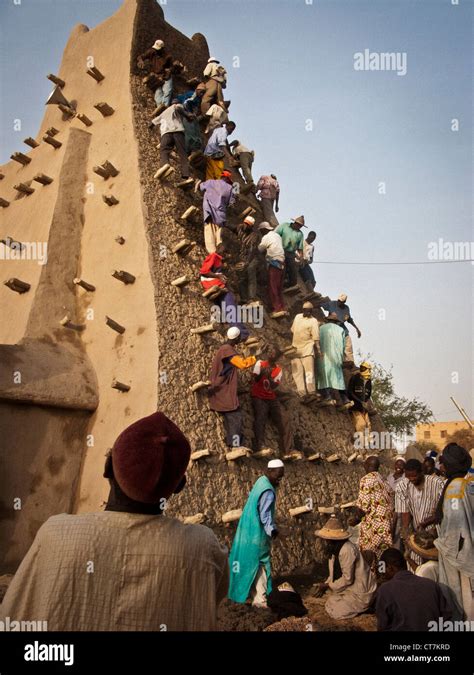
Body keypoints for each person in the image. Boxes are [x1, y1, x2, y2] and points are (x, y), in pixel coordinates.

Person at [0, 412, 229, 631]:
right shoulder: (204, 548)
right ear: (178, 487)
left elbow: (13, 616)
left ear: (107, 467)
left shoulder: (55, 534)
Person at [228, 460, 285, 607]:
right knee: (261, 564)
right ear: (270, 471)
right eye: (278, 476)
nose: (280, 479)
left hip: (246, 531)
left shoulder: (261, 481)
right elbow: (265, 515)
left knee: (245, 563)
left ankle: (238, 595)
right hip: (256, 535)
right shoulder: (268, 491)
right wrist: (272, 531)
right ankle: (260, 601)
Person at [434, 443, 474, 620]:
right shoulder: (468, 484)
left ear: (450, 465)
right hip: (467, 547)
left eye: (444, 463)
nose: (441, 467)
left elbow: (456, 526)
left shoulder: (454, 489)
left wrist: (441, 544)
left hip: (458, 553)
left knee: (459, 595)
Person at [313, 515, 377, 620]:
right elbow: (333, 575)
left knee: (335, 612)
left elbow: (348, 580)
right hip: (350, 589)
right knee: (331, 602)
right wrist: (326, 584)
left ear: (333, 541)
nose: (325, 543)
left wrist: (327, 585)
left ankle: (366, 607)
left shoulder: (347, 550)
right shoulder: (334, 552)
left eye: (327, 541)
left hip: (360, 592)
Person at [376, 548, 452, 631]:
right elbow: (446, 619)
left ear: (390, 568)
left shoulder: (385, 590)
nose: (383, 573)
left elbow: (383, 625)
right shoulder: (431, 585)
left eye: (383, 568)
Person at [208, 327, 256, 451]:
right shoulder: (227, 350)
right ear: (237, 338)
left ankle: (232, 443)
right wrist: (255, 358)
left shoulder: (224, 349)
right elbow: (243, 364)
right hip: (223, 390)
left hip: (221, 390)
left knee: (233, 417)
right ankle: (235, 445)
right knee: (236, 416)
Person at [396, 458, 445, 565]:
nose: (412, 479)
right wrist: (406, 532)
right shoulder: (402, 486)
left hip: (436, 531)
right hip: (417, 532)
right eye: (409, 477)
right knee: (416, 565)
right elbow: (405, 512)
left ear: (422, 472)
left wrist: (426, 523)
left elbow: (443, 509)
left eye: (415, 476)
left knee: (435, 565)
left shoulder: (437, 483)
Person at [199, 243, 249, 339]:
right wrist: (218, 276)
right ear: (220, 250)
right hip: (215, 285)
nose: (227, 255)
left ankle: (234, 332)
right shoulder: (214, 256)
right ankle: (242, 334)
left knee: (227, 308)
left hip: (217, 285)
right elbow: (204, 271)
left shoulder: (220, 260)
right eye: (226, 252)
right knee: (231, 307)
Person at [251, 347, 293, 457]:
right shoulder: (260, 363)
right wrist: (264, 373)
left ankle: (287, 451)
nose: (271, 354)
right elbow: (255, 378)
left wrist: (269, 377)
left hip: (271, 397)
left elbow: (274, 385)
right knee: (260, 418)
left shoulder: (278, 369)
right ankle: (258, 446)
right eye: (270, 351)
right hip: (258, 396)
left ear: (277, 357)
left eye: (274, 353)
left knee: (285, 420)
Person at [353, 456, 394, 562]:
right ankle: (383, 576)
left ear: (367, 465)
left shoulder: (366, 480)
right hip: (386, 525)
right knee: (383, 558)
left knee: (370, 557)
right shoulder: (384, 481)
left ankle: (372, 577)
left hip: (374, 527)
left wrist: (354, 520)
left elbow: (363, 507)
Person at [317, 313, 353, 408]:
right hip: (337, 357)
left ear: (327, 320)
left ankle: (328, 397)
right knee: (338, 378)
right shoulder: (341, 330)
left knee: (324, 376)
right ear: (336, 322)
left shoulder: (322, 328)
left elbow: (317, 340)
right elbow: (344, 345)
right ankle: (345, 399)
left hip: (324, 356)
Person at [150, 99, 191, 179]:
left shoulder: (164, 112)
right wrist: (187, 116)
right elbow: (178, 108)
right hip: (178, 132)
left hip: (166, 133)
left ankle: (165, 165)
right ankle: (186, 175)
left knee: (164, 149)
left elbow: (154, 121)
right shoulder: (177, 106)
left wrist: (150, 126)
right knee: (182, 154)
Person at [290, 302, 320, 402]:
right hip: (296, 349)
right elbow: (293, 330)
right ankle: (302, 393)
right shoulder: (297, 317)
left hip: (307, 349)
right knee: (297, 372)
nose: (305, 312)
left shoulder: (313, 321)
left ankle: (311, 392)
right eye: (304, 310)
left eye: (307, 311)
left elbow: (316, 337)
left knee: (309, 373)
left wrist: (319, 350)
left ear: (311, 311)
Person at [199, 170, 235, 253]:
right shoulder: (230, 189)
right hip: (220, 216)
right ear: (228, 179)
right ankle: (219, 244)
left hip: (209, 213)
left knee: (209, 233)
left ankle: (213, 255)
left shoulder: (210, 182)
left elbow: (201, 187)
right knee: (218, 234)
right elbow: (232, 202)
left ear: (221, 176)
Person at [321, 294, 361, 366]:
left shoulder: (346, 308)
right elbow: (320, 305)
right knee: (336, 350)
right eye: (339, 301)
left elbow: (349, 319)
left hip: (342, 330)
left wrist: (356, 328)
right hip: (332, 330)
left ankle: (351, 364)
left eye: (341, 302)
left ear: (344, 302)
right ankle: (338, 363)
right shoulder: (332, 304)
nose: (339, 303)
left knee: (348, 347)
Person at [137, 39, 174, 113]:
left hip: (166, 76)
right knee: (158, 94)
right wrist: (141, 60)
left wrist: (169, 70)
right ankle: (161, 109)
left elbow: (172, 67)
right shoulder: (151, 51)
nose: (156, 50)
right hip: (157, 76)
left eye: (158, 49)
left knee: (167, 91)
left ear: (162, 49)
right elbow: (140, 57)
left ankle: (164, 107)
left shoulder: (168, 56)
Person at [257, 222, 286, 315]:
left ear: (264, 230)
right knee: (279, 287)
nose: (261, 233)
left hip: (274, 263)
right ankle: (281, 307)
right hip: (282, 262)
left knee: (272, 286)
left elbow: (260, 249)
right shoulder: (277, 236)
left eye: (261, 231)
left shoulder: (266, 237)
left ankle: (277, 309)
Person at [236, 215, 261, 304]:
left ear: (251, 227)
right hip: (244, 257)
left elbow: (252, 249)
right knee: (241, 277)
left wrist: (247, 262)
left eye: (248, 225)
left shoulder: (254, 236)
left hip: (253, 257)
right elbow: (232, 228)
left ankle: (251, 298)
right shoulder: (240, 228)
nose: (245, 226)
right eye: (245, 223)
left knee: (251, 273)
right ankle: (243, 298)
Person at [275, 217, 305, 288]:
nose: (299, 227)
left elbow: (300, 247)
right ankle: (279, 284)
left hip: (291, 253)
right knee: (282, 268)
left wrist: (301, 257)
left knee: (293, 271)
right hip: (280, 249)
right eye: (298, 225)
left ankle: (289, 286)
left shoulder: (300, 234)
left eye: (300, 226)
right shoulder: (284, 226)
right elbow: (275, 234)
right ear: (295, 222)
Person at [175, 83, 206, 153]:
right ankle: (190, 148)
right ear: (197, 90)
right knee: (190, 130)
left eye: (203, 93)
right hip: (185, 113)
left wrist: (194, 115)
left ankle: (196, 147)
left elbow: (195, 109)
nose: (202, 94)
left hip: (191, 115)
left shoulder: (198, 99)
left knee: (196, 131)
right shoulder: (193, 94)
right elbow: (186, 102)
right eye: (201, 92)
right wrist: (189, 114)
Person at [387, 456, 408, 549]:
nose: (398, 466)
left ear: (404, 467)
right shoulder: (390, 476)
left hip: (399, 508)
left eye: (401, 464)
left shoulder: (405, 479)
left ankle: (396, 551)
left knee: (397, 532)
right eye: (397, 464)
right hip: (389, 508)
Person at [347, 361, 373, 431]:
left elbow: (369, 393)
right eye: (362, 368)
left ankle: (368, 441)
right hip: (355, 407)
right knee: (361, 425)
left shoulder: (368, 381)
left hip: (364, 409)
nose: (362, 370)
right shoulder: (355, 378)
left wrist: (365, 403)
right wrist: (360, 402)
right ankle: (360, 440)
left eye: (364, 368)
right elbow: (350, 392)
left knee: (368, 425)